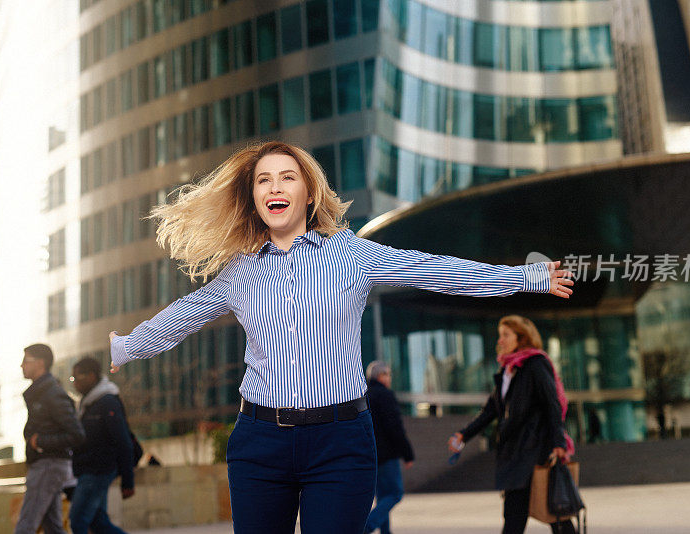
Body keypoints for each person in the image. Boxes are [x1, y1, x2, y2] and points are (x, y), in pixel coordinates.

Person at [107, 141, 574, 534]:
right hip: (259, 444)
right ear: (253, 198)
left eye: (288, 177)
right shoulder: (240, 271)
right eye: (263, 180)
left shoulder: (352, 254)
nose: (275, 187)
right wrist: (128, 346)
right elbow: (186, 314)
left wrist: (523, 278)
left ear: (309, 194)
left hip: (340, 442)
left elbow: (433, 270)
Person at [448, 316, 576, 534]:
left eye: (506, 335)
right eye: (500, 335)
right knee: (516, 517)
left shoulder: (536, 363)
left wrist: (558, 442)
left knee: (556, 511)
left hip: (536, 452)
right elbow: (490, 410)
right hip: (515, 453)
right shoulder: (507, 371)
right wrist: (464, 434)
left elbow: (552, 404)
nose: (500, 340)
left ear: (521, 337)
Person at [16, 344, 85, 534]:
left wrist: (40, 442)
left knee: (26, 525)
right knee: (52, 527)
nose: (21, 365)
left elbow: (77, 434)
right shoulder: (42, 393)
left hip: (48, 465)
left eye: (25, 361)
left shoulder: (52, 394)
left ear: (40, 363)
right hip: (46, 464)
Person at [68, 357, 134, 534]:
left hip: (98, 471)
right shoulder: (88, 403)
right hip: (88, 470)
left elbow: (123, 440)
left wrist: (128, 481)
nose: (74, 384)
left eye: (76, 378)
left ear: (91, 376)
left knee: (78, 521)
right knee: (99, 524)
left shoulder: (107, 402)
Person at [364, 361, 414, 534]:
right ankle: (365, 527)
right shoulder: (385, 395)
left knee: (383, 497)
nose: (389, 378)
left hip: (372, 454)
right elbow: (395, 427)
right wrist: (407, 454)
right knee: (395, 493)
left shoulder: (365, 395)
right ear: (381, 376)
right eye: (388, 374)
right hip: (387, 454)